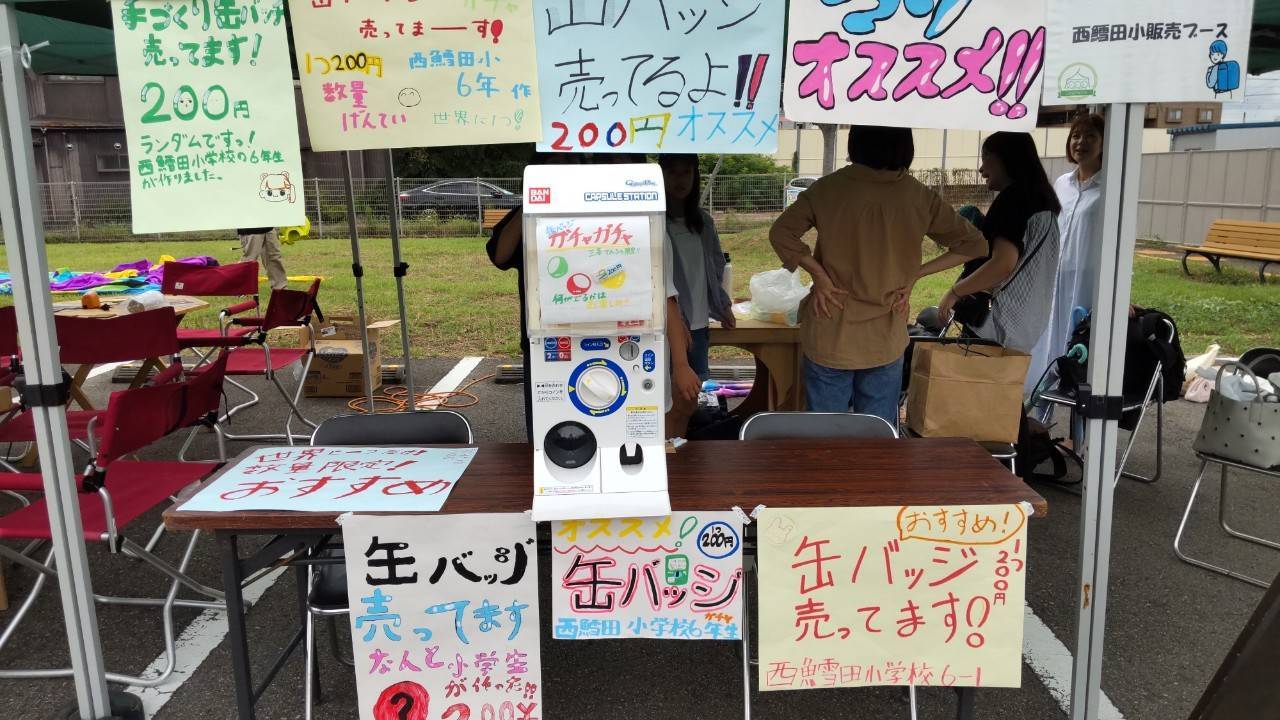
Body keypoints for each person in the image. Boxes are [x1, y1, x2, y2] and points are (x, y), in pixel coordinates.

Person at [770, 126, 988, 426]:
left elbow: (781, 232)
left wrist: (819, 275)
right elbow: (975, 244)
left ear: (855, 142)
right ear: (905, 147)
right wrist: (915, 274)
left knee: (823, 436)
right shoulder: (918, 195)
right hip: (886, 331)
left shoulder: (829, 188)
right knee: (878, 436)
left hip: (830, 325)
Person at [487, 152, 700, 441]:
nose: (562, 173)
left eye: (569, 166)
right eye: (553, 167)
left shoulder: (643, 225)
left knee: (629, 431)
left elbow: (666, 297)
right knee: (557, 431)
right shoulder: (536, 218)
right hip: (552, 341)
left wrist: (680, 363)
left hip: (630, 341)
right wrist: (536, 198)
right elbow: (500, 255)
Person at [937, 132, 1061, 354]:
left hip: (996, 324)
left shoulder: (1014, 199)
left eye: (986, 158)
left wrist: (955, 292)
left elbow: (1002, 264)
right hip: (1027, 324)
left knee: (972, 376)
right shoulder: (1044, 201)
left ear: (1005, 159)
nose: (981, 169)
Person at [1028, 113, 1104, 393]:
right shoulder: (1062, 183)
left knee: (1077, 341)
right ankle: (1040, 402)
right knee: (1048, 338)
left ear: (1104, 143)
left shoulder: (1110, 187)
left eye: (1090, 136)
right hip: (1056, 275)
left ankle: (1076, 405)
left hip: (1087, 279)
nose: (1081, 142)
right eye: (1076, 136)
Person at [659, 154, 735, 437]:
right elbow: (664, 285)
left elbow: (715, 267)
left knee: (690, 398)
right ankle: (668, 449)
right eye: (672, 173)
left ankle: (678, 448)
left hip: (699, 326)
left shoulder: (702, 221)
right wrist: (677, 320)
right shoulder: (656, 223)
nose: (680, 180)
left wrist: (723, 305)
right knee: (670, 399)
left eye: (686, 173)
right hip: (672, 326)